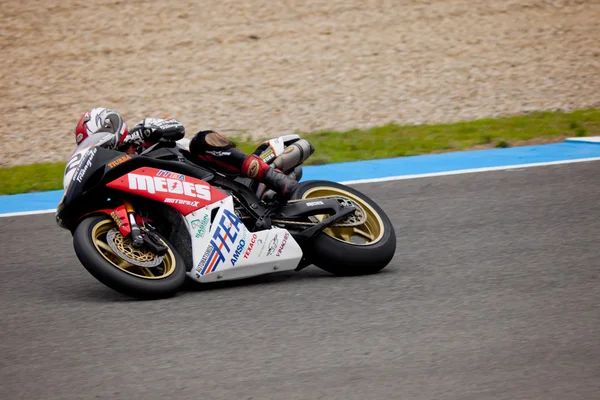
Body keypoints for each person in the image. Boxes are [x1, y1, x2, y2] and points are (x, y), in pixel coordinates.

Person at [74, 108, 299, 200]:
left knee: (202, 140)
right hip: (183, 197)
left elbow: (177, 127)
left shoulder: (141, 132)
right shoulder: (114, 170)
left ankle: (273, 177)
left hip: (211, 174)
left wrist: (151, 131)